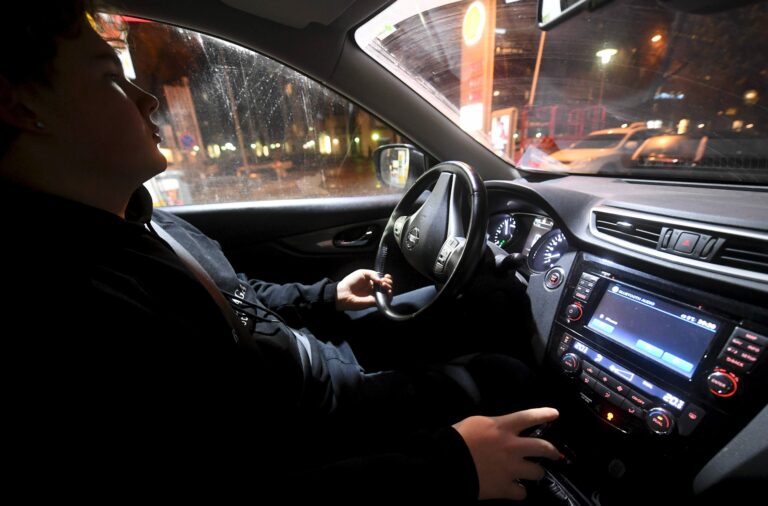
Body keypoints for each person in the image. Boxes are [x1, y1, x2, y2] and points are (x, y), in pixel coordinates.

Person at [0, 1, 560, 502]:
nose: (145, 98)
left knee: (482, 307)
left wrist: (327, 297)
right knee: (505, 376)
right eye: (109, 78)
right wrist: (450, 466)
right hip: (311, 426)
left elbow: (235, 299)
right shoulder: (70, 305)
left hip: (311, 370)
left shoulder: (142, 217)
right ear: (22, 106)